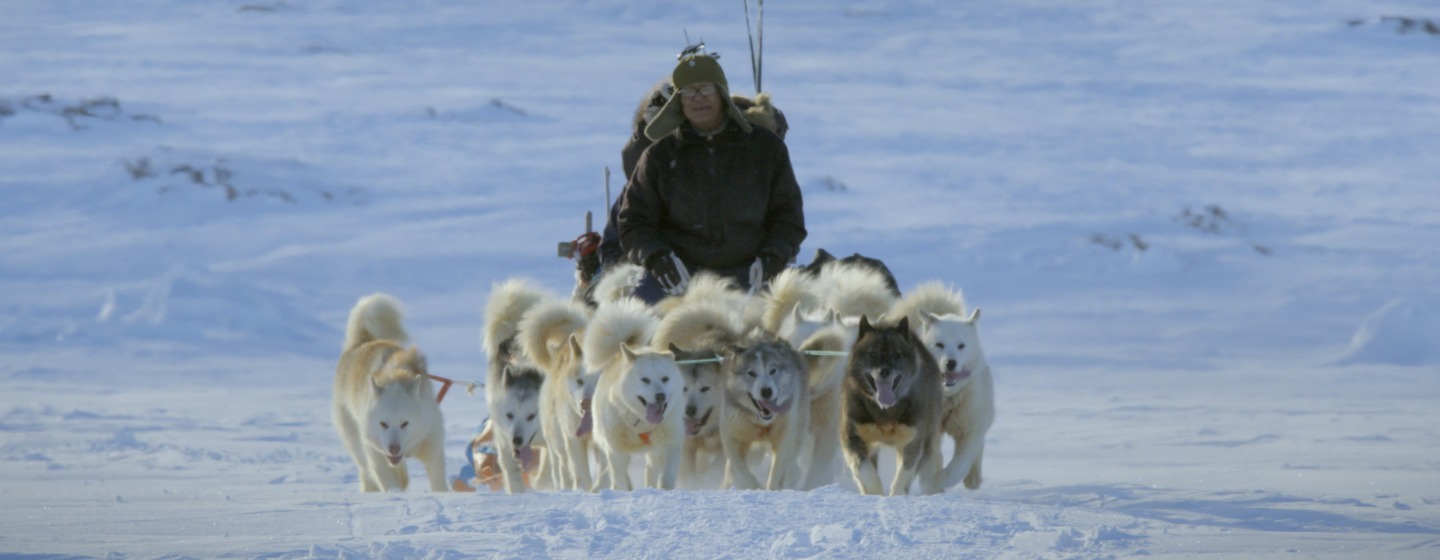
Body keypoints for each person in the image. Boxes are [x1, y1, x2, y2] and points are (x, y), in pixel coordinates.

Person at [617, 52, 806, 304]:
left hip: (752, 274)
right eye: (688, 92)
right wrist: (658, 258)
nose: (698, 98)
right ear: (679, 100)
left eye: (706, 89)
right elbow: (634, 223)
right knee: (634, 313)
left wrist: (773, 257)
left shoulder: (765, 148)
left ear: (722, 93)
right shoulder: (659, 156)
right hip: (679, 278)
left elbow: (788, 216)